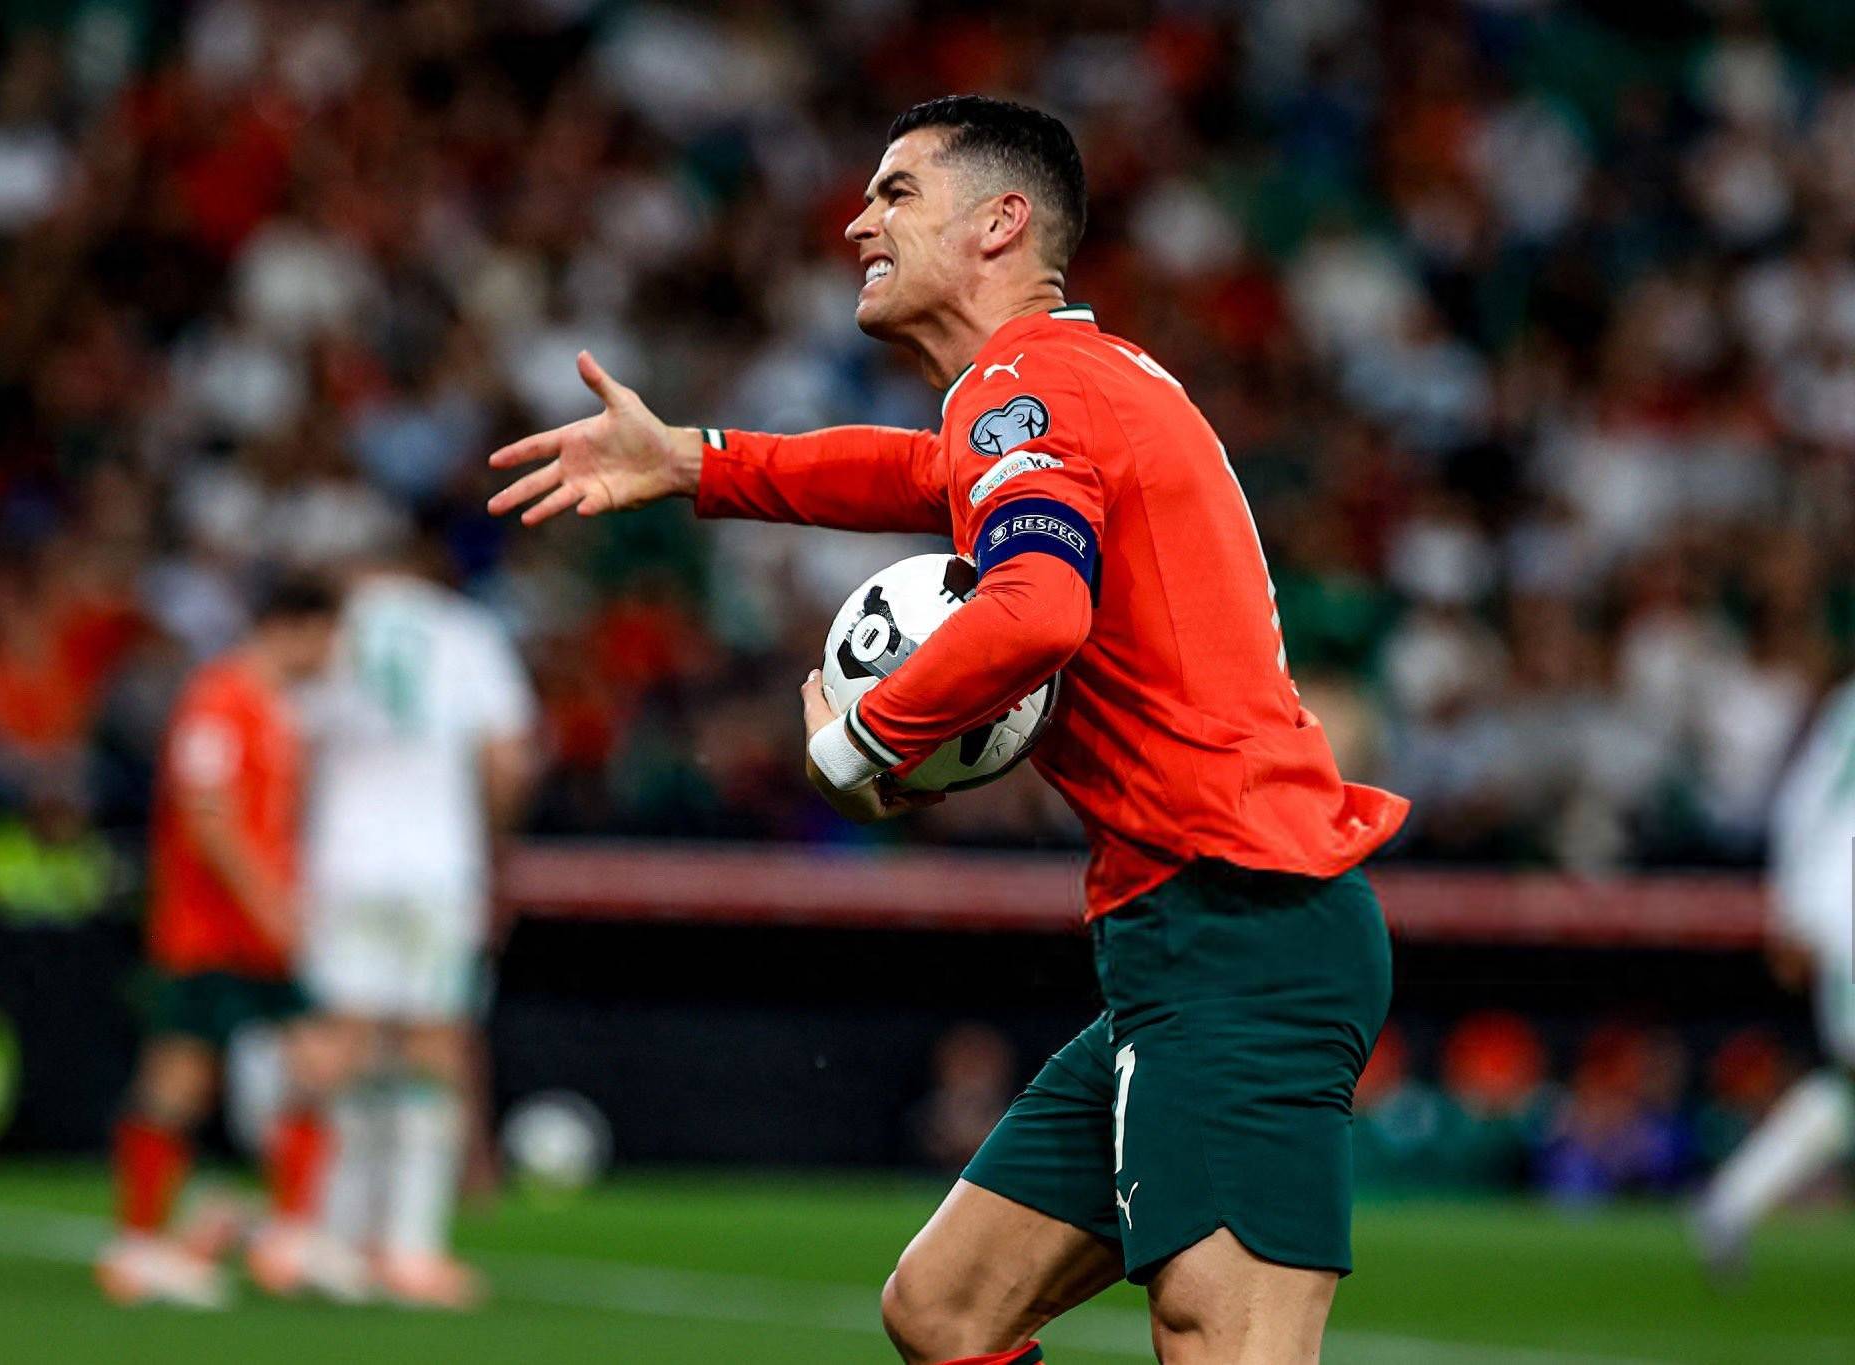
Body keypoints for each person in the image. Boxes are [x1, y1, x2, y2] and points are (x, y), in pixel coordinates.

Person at [489, 95, 1408, 1365]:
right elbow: (910, 473)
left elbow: (1036, 609)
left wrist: (857, 741)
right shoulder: (1059, 384)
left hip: (1241, 927)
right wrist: (698, 460)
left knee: (1221, 1345)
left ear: (999, 222)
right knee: (943, 1310)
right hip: (1191, 938)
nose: (856, 222)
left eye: (895, 192)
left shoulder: (1029, 383)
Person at [97, 576, 357, 1308]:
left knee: (318, 1058)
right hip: (209, 929)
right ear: (298, 625)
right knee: (180, 1077)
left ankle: (289, 1235)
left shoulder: (272, 706)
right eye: (331, 636)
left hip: (250, 928)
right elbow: (208, 816)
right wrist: (270, 904)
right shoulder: (218, 700)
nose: (334, 654)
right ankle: (139, 1245)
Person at [301, 537, 539, 1307]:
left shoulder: (330, 626)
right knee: (433, 1046)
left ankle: (327, 1236)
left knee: (341, 1043)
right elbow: (507, 760)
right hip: (437, 867)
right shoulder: (467, 631)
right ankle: (410, 1248)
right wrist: (490, 847)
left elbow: (289, 737)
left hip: (341, 862)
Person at [1696, 675, 1855, 1281]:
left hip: (1831, 909)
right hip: (1842, 912)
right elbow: (1811, 800)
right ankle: (1730, 1204)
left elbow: (1805, 799)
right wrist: (1792, 911)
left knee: (1846, 1091)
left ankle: (1730, 1203)